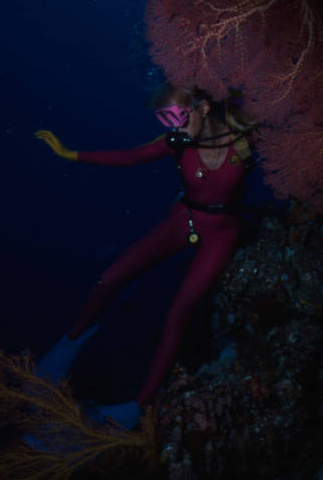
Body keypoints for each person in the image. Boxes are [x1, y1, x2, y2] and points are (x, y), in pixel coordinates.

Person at [34, 83, 257, 429]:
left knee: (178, 313)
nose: (172, 128)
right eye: (164, 119)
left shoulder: (245, 138)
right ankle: (63, 352)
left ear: (201, 107)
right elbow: (127, 157)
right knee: (108, 279)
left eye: (177, 117)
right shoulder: (177, 143)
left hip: (221, 234)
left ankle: (137, 407)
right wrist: (69, 153)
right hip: (182, 218)